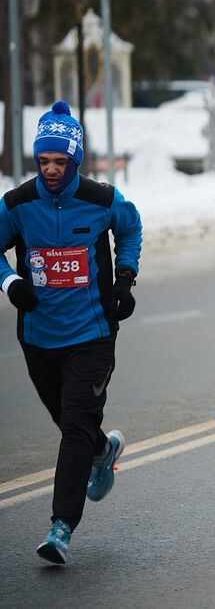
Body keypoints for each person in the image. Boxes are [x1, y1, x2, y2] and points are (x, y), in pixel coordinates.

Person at [0, 101, 142, 564]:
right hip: (39, 337)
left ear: (75, 161)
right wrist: (11, 281)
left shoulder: (101, 199)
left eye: (61, 162)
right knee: (71, 423)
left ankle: (61, 526)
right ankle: (104, 451)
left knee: (75, 425)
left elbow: (131, 226)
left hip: (92, 333)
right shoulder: (17, 205)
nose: (52, 170)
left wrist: (125, 276)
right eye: (44, 161)